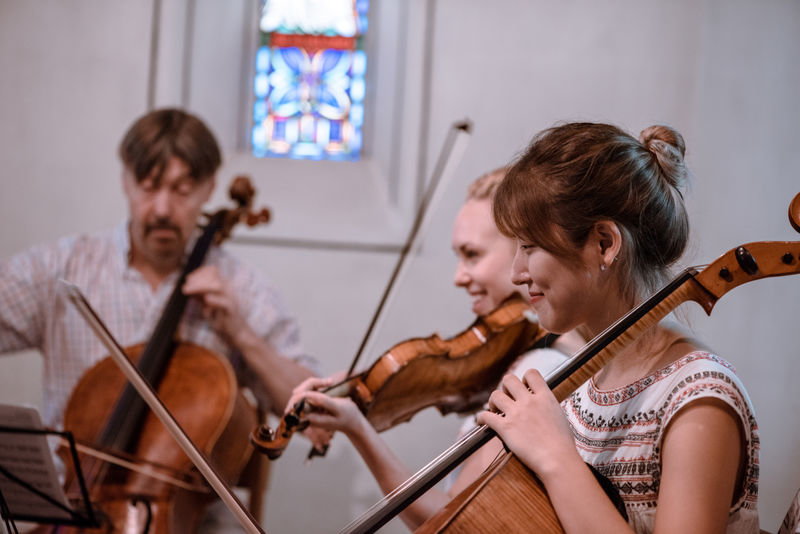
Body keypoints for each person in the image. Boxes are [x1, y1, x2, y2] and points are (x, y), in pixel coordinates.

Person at [0, 108, 316, 529]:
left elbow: (312, 416)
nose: (163, 208)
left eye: (182, 189)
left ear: (209, 189)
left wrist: (241, 334)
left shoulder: (241, 288)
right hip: (69, 513)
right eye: (148, 188)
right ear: (125, 181)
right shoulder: (62, 269)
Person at [477, 122, 759, 532]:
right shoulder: (580, 387)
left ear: (605, 244)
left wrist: (555, 457)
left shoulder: (699, 399)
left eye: (529, 247)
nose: (516, 273)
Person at [286, 168, 585, 529]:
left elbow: (450, 520)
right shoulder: (527, 357)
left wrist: (358, 430)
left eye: (472, 255)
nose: (459, 276)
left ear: (523, 250)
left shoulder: (539, 371)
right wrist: (364, 388)